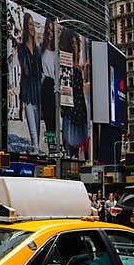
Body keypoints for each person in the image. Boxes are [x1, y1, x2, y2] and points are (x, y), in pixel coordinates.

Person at [61, 32, 90, 160]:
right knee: (69, 145)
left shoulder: (79, 67)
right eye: (71, 43)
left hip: (81, 109)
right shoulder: (65, 65)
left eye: (75, 43)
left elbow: (82, 90)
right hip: (70, 109)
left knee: (82, 146)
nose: (74, 46)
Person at [17, 12, 42, 154]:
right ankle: (35, 150)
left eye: (33, 24)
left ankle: (36, 150)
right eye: (29, 24)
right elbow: (25, 70)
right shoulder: (21, 47)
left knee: (37, 127)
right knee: (33, 128)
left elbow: (40, 71)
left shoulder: (38, 49)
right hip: (27, 91)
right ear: (26, 27)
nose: (32, 27)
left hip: (37, 91)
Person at [40, 18, 58, 143]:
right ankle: (51, 144)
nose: (50, 32)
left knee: (56, 119)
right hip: (46, 83)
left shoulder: (59, 51)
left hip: (57, 87)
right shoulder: (41, 49)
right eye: (48, 29)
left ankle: (55, 145)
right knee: (48, 118)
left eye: (52, 30)